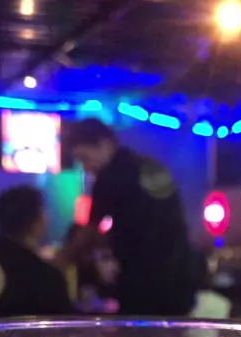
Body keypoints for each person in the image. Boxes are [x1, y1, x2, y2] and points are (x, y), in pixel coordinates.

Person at [67, 118, 198, 316]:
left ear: (104, 144)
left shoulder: (109, 177)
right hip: (179, 280)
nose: (86, 168)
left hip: (143, 284)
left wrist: (62, 260)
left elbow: (90, 232)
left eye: (85, 158)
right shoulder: (151, 166)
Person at [0, 186, 73, 318]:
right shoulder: (47, 278)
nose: (48, 217)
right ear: (36, 221)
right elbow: (65, 324)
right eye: (44, 211)